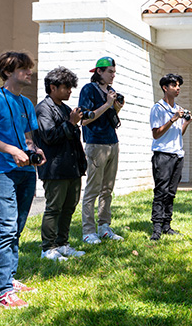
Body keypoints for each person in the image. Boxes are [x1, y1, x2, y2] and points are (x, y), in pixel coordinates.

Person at [0, 51, 45, 309]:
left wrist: (34, 150)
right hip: (2, 171)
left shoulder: (26, 104)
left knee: (17, 226)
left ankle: (10, 277)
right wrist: (11, 150)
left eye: (29, 68)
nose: (29, 73)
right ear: (8, 72)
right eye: (24, 69)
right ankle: (4, 290)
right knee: (6, 228)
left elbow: (27, 140)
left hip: (26, 172)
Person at [34, 67, 87, 261]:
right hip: (55, 169)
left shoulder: (65, 109)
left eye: (71, 87)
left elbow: (73, 138)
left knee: (69, 207)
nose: (70, 91)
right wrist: (70, 124)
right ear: (53, 87)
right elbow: (49, 137)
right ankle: (48, 248)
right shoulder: (43, 109)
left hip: (71, 167)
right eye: (66, 87)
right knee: (54, 208)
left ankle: (63, 243)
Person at [78, 56, 125, 244]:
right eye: (110, 72)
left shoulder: (111, 91)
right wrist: (106, 104)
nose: (113, 75)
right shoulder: (88, 90)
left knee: (107, 189)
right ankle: (88, 231)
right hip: (96, 144)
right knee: (92, 189)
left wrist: (116, 107)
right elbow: (84, 119)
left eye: (114, 72)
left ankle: (105, 227)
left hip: (112, 142)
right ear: (99, 71)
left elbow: (109, 117)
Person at [149, 73, 192, 240]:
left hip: (177, 155)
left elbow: (177, 134)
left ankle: (167, 225)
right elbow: (156, 134)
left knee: (171, 193)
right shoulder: (158, 108)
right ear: (165, 88)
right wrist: (173, 119)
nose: (178, 88)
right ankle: (156, 229)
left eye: (179, 85)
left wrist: (185, 122)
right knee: (161, 192)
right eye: (174, 85)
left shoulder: (178, 109)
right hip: (163, 156)